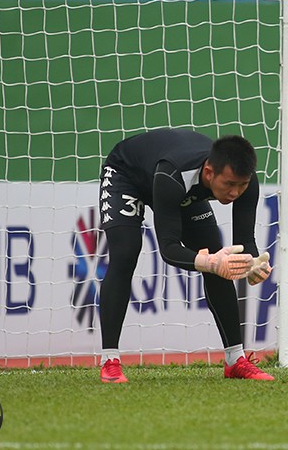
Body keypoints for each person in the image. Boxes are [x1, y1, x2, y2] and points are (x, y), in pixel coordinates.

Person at [96, 128, 274, 383]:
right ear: (210, 173)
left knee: (220, 256)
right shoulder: (174, 174)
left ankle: (236, 360)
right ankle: (109, 361)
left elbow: (244, 242)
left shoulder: (246, 181)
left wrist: (253, 264)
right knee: (125, 253)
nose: (235, 193)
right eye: (229, 185)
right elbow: (168, 247)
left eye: (242, 185)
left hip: (177, 189)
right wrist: (210, 263)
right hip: (128, 175)